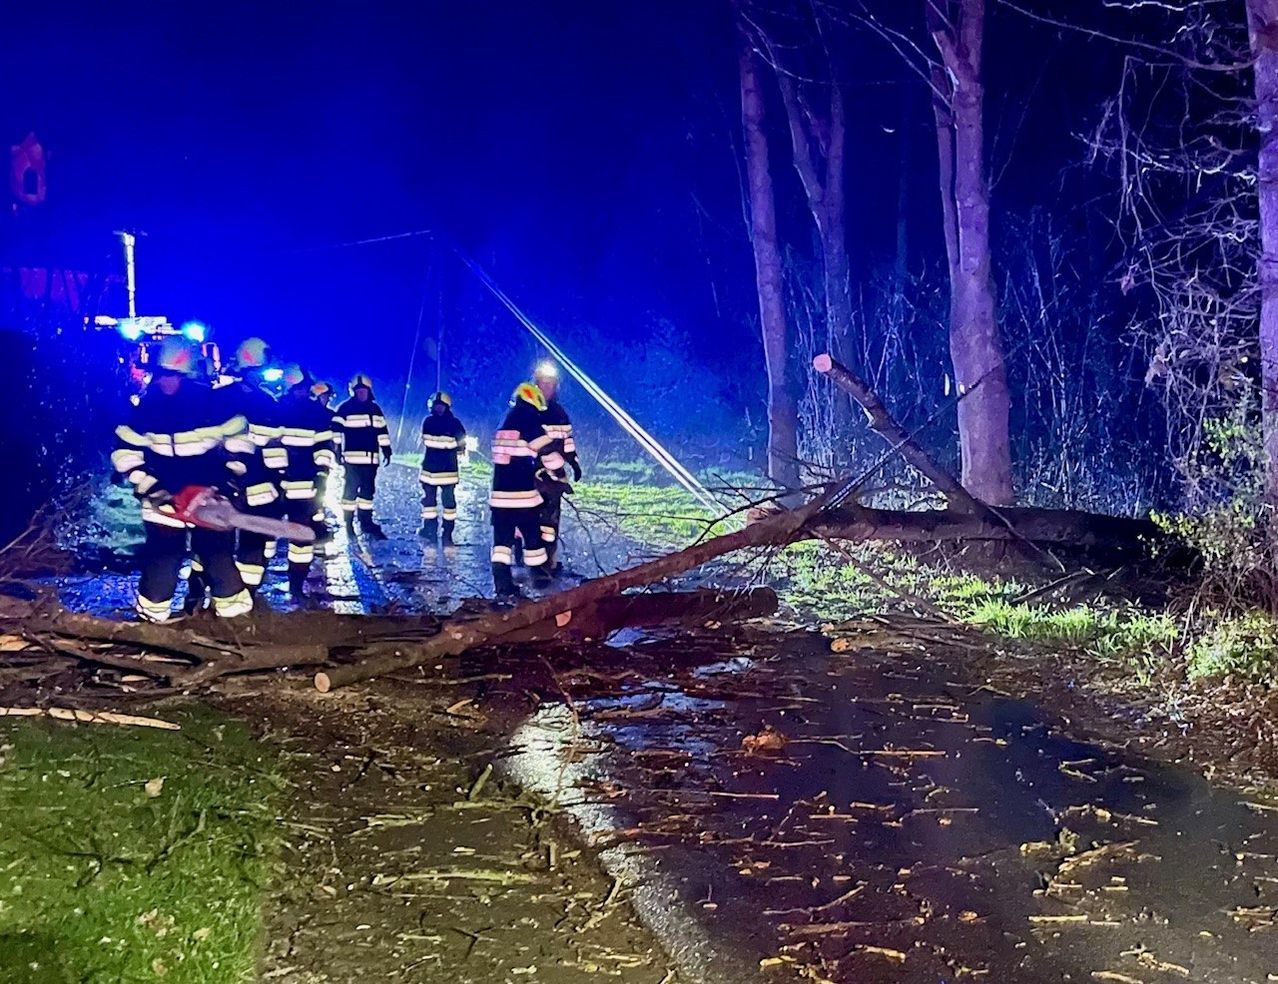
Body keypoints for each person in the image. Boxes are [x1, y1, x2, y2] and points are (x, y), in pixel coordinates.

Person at [111, 337, 253, 623]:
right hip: (162, 500)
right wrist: (150, 487)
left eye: (171, 375)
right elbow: (125, 453)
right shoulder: (145, 410)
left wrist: (226, 485)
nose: (165, 381)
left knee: (218, 558)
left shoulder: (213, 404)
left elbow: (240, 445)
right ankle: (151, 623)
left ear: (187, 375)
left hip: (210, 498)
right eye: (161, 374)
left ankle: (236, 623)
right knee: (162, 561)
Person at [213, 337, 285, 598]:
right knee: (253, 544)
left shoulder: (217, 398)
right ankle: (247, 595)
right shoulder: (268, 402)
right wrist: (281, 486)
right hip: (257, 487)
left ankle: (204, 593)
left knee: (214, 544)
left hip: (220, 485)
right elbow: (277, 453)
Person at [490, 382, 567, 597]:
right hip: (522, 495)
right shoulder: (528, 420)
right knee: (533, 538)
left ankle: (502, 584)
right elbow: (547, 452)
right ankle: (540, 577)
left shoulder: (505, 422)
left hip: (499, 497)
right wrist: (559, 475)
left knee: (502, 543)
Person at [274, 365, 336, 595]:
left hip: (302, 485)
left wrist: (321, 475)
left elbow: (324, 448)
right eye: (298, 388)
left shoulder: (316, 414)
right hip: (275, 486)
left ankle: (296, 586)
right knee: (265, 536)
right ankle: (255, 586)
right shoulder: (276, 410)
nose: (302, 392)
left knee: (301, 538)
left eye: (304, 388)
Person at [533, 361, 581, 571]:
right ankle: (527, 557)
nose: (547, 389)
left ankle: (548, 560)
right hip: (530, 476)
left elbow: (567, 442)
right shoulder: (527, 410)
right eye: (543, 384)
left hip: (554, 478)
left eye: (550, 385)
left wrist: (574, 462)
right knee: (527, 518)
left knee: (550, 523)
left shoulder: (560, 413)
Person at [332, 373, 391, 539]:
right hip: (352, 461)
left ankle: (366, 523)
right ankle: (349, 524)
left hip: (371, 461)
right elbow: (336, 431)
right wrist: (336, 450)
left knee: (368, 493)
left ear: (369, 391)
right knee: (350, 493)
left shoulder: (375, 409)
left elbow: (382, 431)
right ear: (353, 391)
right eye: (358, 391)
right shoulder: (345, 409)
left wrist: (386, 449)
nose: (361, 393)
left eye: (363, 390)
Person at [418, 391, 467, 544]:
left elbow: (461, 443)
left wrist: (452, 445)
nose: (439, 409)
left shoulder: (450, 423)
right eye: (437, 406)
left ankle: (447, 532)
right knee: (430, 503)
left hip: (438, 471)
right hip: (440, 471)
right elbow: (457, 444)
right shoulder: (434, 422)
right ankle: (430, 530)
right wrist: (452, 444)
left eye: (441, 406)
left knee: (447, 504)